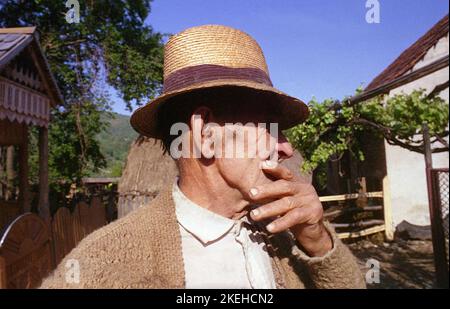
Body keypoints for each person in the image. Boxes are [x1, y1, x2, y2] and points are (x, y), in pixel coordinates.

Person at [41, 25, 365, 289]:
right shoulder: (103, 264)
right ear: (206, 132)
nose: (286, 148)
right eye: (270, 127)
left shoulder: (280, 236)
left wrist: (318, 242)